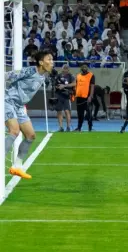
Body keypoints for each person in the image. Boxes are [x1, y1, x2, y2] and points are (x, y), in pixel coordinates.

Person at [4, 51, 54, 180]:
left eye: (52, 59)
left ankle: (16, 167)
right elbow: (7, 76)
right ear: (41, 63)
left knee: (31, 135)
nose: (52, 62)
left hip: (20, 106)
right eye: (49, 59)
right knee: (14, 131)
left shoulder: (44, 76)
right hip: (8, 100)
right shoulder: (30, 71)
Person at [73, 63, 96, 132]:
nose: (84, 68)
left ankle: (90, 127)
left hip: (87, 97)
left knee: (88, 113)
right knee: (80, 114)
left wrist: (90, 96)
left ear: (87, 68)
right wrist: (74, 94)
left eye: (86, 67)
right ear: (81, 68)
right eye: (83, 67)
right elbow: (76, 86)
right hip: (79, 97)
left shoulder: (91, 75)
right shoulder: (78, 76)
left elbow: (92, 86)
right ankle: (79, 127)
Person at [53, 64, 75, 132]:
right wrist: (57, 87)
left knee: (67, 111)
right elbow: (55, 84)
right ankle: (61, 127)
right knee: (59, 111)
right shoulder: (58, 76)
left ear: (68, 69)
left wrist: (64, 86)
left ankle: (68, 127)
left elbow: (74, 83)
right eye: (64, 68)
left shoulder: (71, 76)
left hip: (67, 96)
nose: (65, 70)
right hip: (59, 95)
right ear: (62, 69)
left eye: (66, 68)